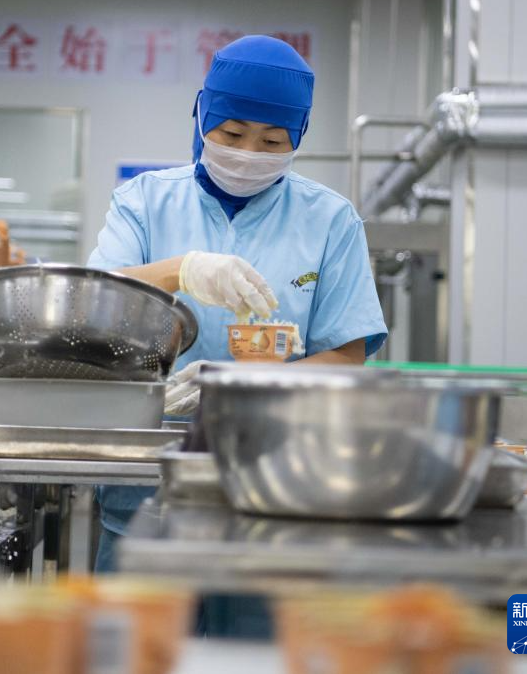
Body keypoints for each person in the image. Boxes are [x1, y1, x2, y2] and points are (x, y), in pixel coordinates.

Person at [87, 35, 388, 577]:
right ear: (203, 117)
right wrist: (182, 270)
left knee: (258, 626)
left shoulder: (330, 221)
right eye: (232, 133)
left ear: (298, 136)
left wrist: (242, 387)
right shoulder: (144, 202)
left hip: (277, 474)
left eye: (273, 141)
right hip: (151, 469)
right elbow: (96, 298)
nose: (249, 153)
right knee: (142, 624)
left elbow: (347, 357)